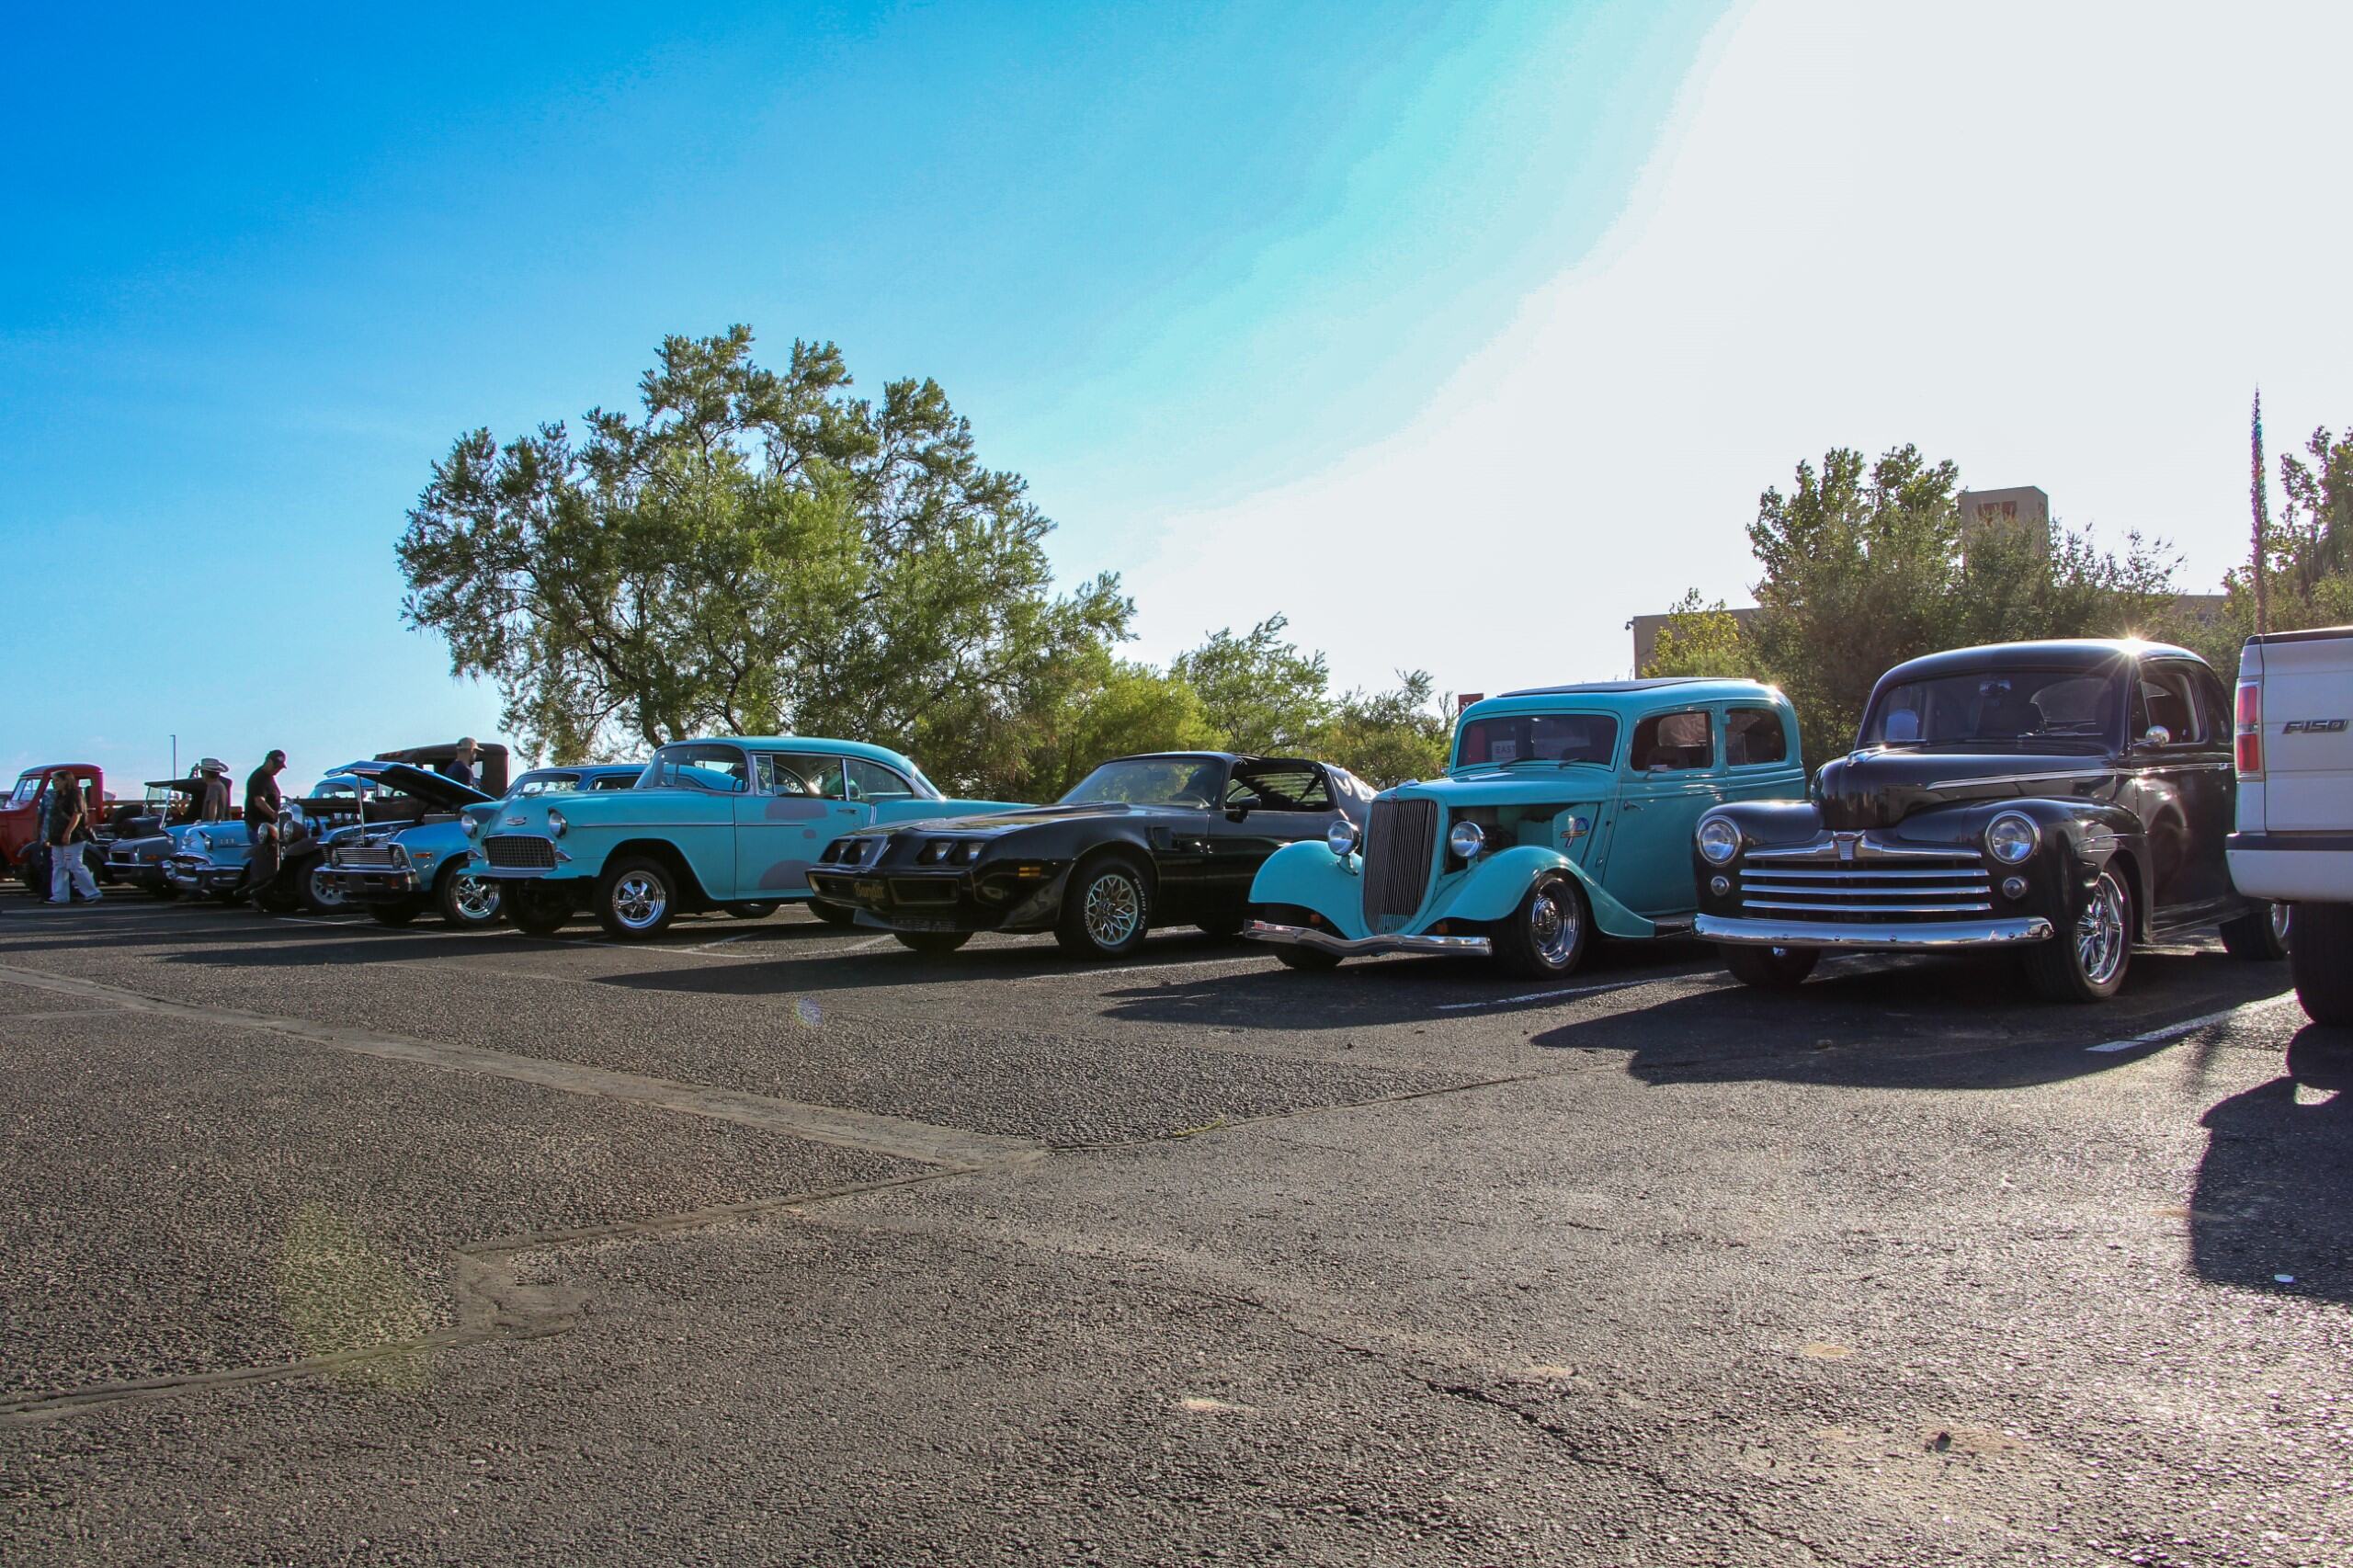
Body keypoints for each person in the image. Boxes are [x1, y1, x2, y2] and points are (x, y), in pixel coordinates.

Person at [240, 750, 288, 902]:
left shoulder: (269, 779)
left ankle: (268, 891)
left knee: (271, 858)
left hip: (269, 825)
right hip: (258, 825)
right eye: (275, 765)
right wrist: (275, 814)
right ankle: (257, 894)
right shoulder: (258, 778)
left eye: (280, 767)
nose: (277, 769)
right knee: (262, 857)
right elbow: (259, 801)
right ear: (268, 761)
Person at [45, 774, 100, 905]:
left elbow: (77, 815)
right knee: (59, 865)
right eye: (53, 781)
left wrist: (68, 833)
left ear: (66, 781)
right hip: (57, 837)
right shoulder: (58, 797)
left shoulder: (74, 795)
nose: (54, 783)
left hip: (73, 837)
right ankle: (60, 896)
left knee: (74, 864)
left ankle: (92, 893)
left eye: (57, 780)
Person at [195, 758, 231, 822]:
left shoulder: (213, 786)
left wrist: (211, 823)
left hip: (213, 827)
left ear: (206, 773)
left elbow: (213, 806)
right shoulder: (221, 785)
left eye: (202, 772)